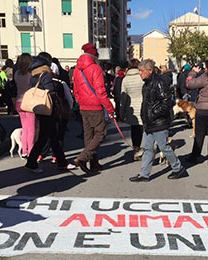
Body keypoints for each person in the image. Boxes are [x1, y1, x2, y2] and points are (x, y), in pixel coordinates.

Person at [129, 59, 187, 182]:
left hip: (159, 122)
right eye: (139, 71)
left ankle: (178, 168)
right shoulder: (147, 84)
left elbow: (168, 101)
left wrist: (154, 114)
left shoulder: (159, 83)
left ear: (150, 71)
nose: (140, 73)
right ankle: (144, 174)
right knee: (148, 148)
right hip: (150, 122)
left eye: (142, 71)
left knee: (163, 147)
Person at [24, 54, 76, 172]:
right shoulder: (45, 74)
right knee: (46, 137)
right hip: (48, 109)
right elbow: (51, 92)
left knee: (51, 137)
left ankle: (60, 162)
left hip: (39, 109)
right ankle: (32, 163)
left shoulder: (33, 74)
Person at [72, 43, 115, 173]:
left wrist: (81, 102)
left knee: (89, 136)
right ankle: (83, 158)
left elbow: (76, 90)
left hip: (83, 106)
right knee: (101, 133)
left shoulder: (77, 69)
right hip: (95, 106)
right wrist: (110, 108)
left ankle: (94, 163)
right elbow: (101, 91)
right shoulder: (95, 69)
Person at [120, 59, 144, 160]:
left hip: (132, 108)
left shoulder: (125, 79)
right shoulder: (141, 77)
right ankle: (146, 149)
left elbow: (123, 96)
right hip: (143, 105)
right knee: (144, 129)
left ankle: (136, 149)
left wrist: (122, 110)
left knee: (134, 129)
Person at [15, 53, 35, 157]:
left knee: (25, 128)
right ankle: (31, 151)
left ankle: (24, 151)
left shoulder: (17, 73)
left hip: (19, 101)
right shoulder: (30, 74)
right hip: (29, 102)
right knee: (31, 129)